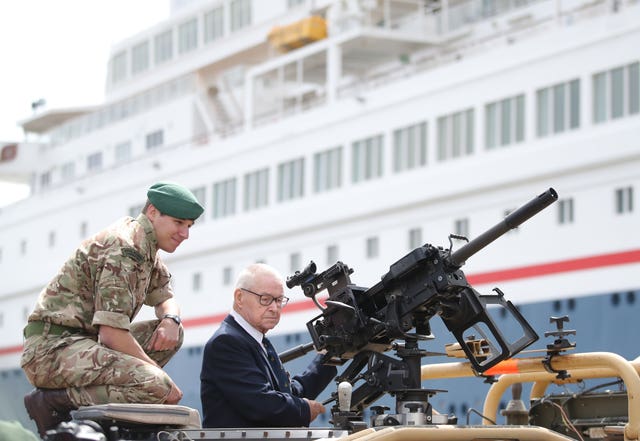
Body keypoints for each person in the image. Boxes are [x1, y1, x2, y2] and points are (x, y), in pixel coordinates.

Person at [21, 182, 204, 438]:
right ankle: (53, 401)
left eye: (189, 226)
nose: (185, 234)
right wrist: (157, 377)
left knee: (172, 335)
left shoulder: (146, 247)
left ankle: (119, 395)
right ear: (152, 212)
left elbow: (165, 297)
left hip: (82, 345)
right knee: (157, 386)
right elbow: (111, 334)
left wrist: (171, 319)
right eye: (178, 223)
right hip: (52, 350)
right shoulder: (124, 249)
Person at [200, 263, 337, 428]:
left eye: (279, 300)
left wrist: (327, 358)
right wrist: (304, 410)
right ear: (239, 298)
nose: (274, 308)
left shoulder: (257, 340)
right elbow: (261, 404)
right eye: (265, 299)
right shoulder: (226, 342)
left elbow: (288, 394)